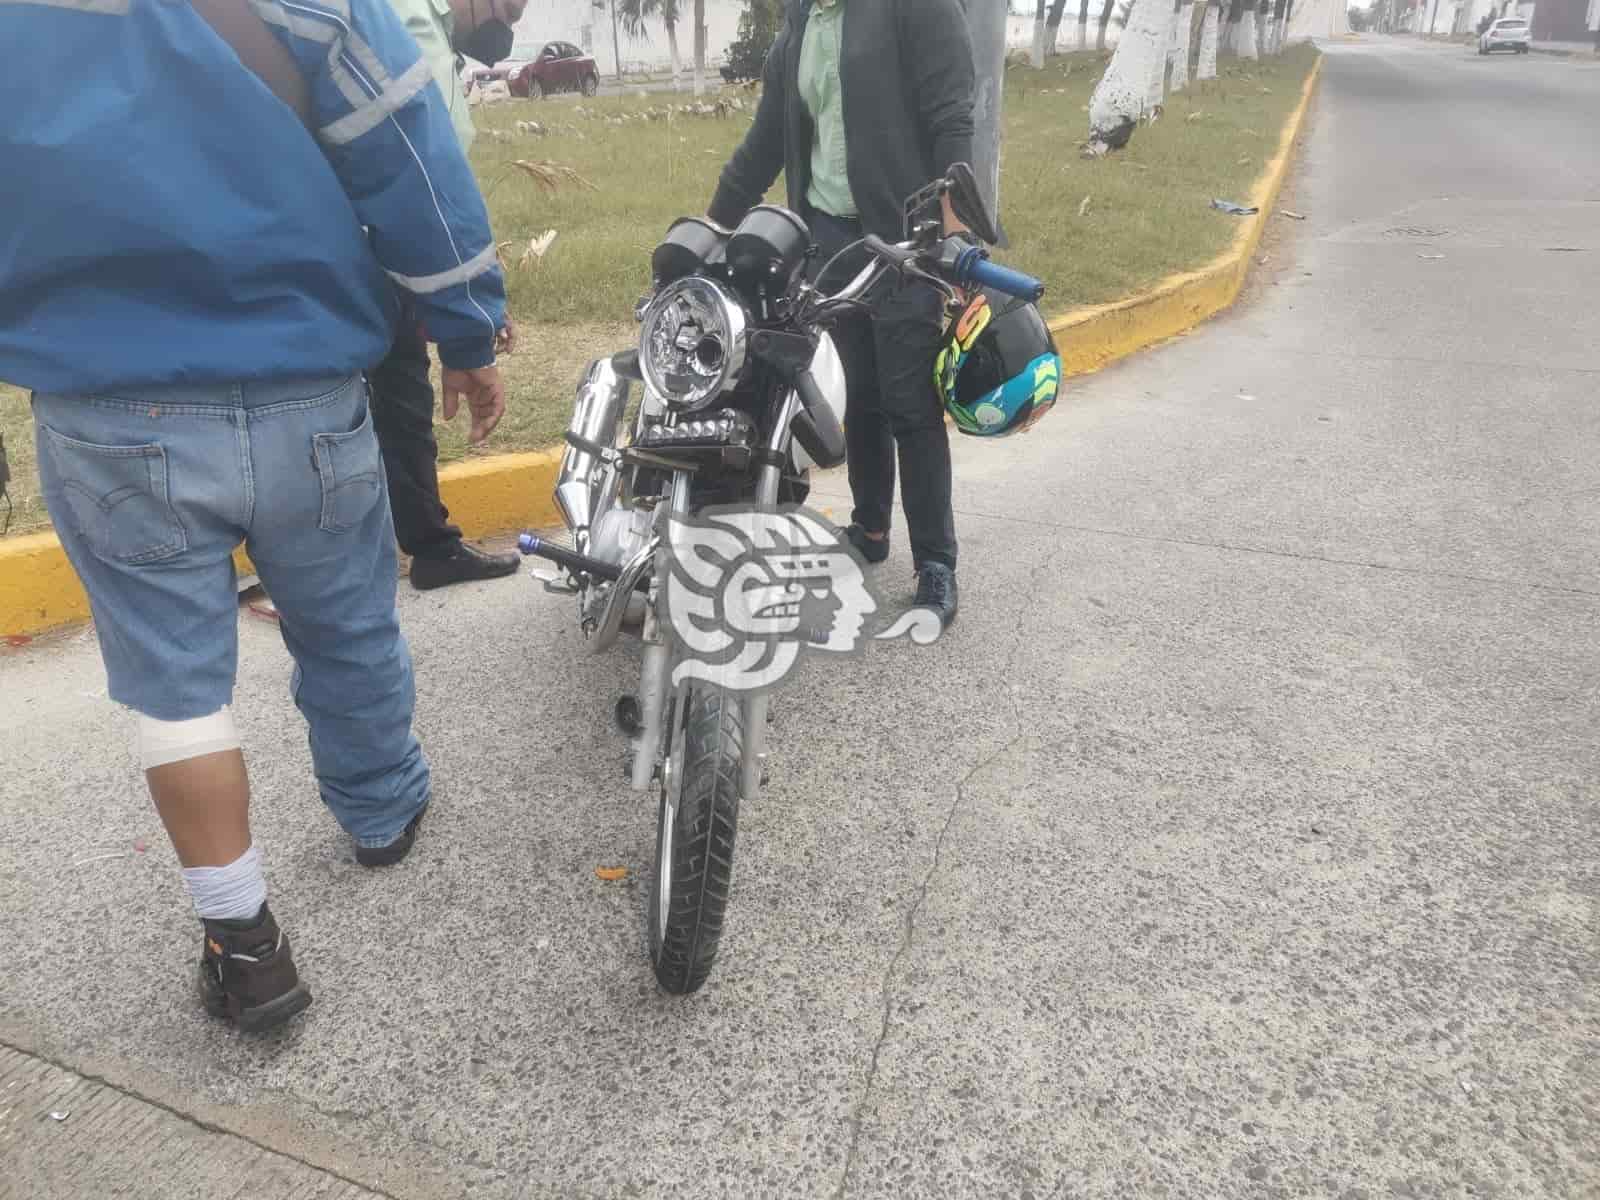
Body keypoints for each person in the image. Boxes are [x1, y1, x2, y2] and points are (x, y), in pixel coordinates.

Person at [0, 0, 508, 1031]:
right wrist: (466, 329)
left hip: (107, 408)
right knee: (347, 620)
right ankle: (381, 813)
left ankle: (246, 946)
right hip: (308, 388)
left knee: (172, 687)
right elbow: (408, 156)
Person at [707, 0, 976, 629]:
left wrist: (952, 234)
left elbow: (951, 119)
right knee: (858, 394)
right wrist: (713, 225)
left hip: (908, 236)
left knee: (910, 400)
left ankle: (937, 560)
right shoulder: (802, 20)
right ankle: (870, 527)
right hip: (829, 237)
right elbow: (769, 138)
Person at [375, 0, 529, 590]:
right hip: (375, 255)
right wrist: (470, 322)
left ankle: (427, 544)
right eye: (509, 10)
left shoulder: (423, 27)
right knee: (393, 396)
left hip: (372, 250)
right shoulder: (413, 31)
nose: (508, 28)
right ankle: (421, 549)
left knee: (391, 397)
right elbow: (429, 188)